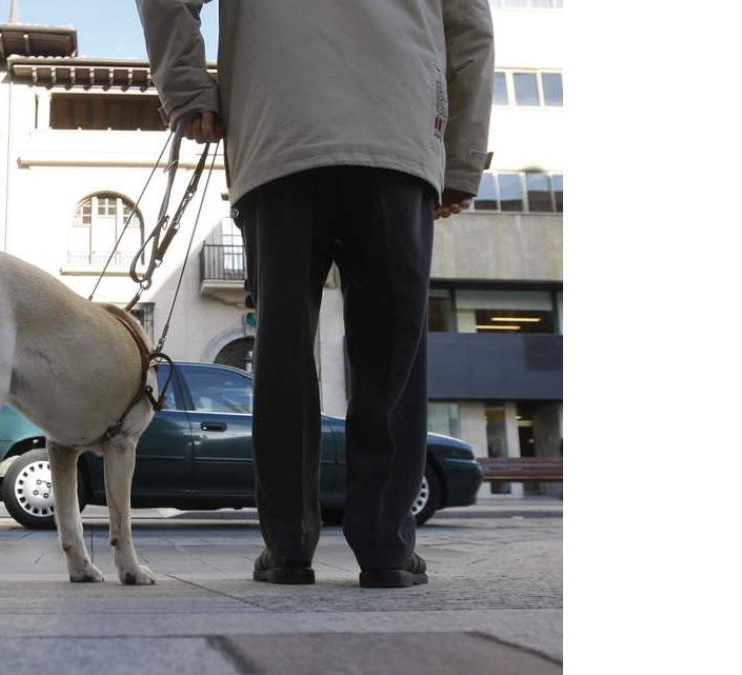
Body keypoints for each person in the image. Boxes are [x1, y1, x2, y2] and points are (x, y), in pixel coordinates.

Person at [135, 0, 493, 587]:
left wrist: (189, 90)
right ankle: (387, 549)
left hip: (279, 132)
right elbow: (471, 34)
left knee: (281, 355)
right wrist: (461, 159)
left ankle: (289, 545)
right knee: (392, 359)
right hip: (398, 133)